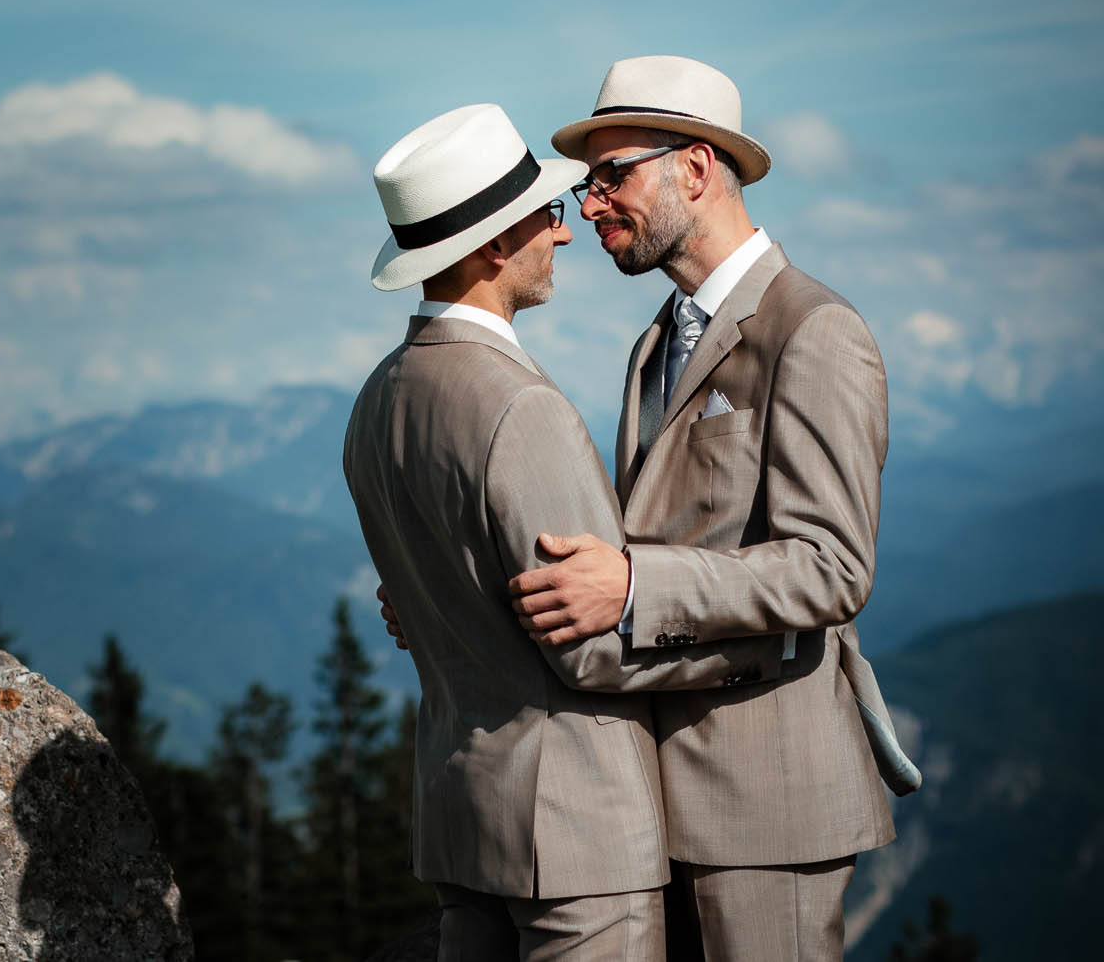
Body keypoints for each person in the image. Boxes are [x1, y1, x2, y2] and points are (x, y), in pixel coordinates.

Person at [344, 102, 792, 962]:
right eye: (544, 217)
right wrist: (765, 644)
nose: (564, 234)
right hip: (573, 834)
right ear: (488, 246)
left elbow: (436, 603)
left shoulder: (377, 403)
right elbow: (592, 645)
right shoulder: (521, 407)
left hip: (458, 817)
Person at [505, 55, 916, 962]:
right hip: (656, 800)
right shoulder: (656, 343)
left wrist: (631, 588)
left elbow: (833, 568)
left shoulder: (814, 330)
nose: (590, 204)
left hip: (771, 808)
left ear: (694, 168)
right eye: (587, 183)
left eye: (611, 175)